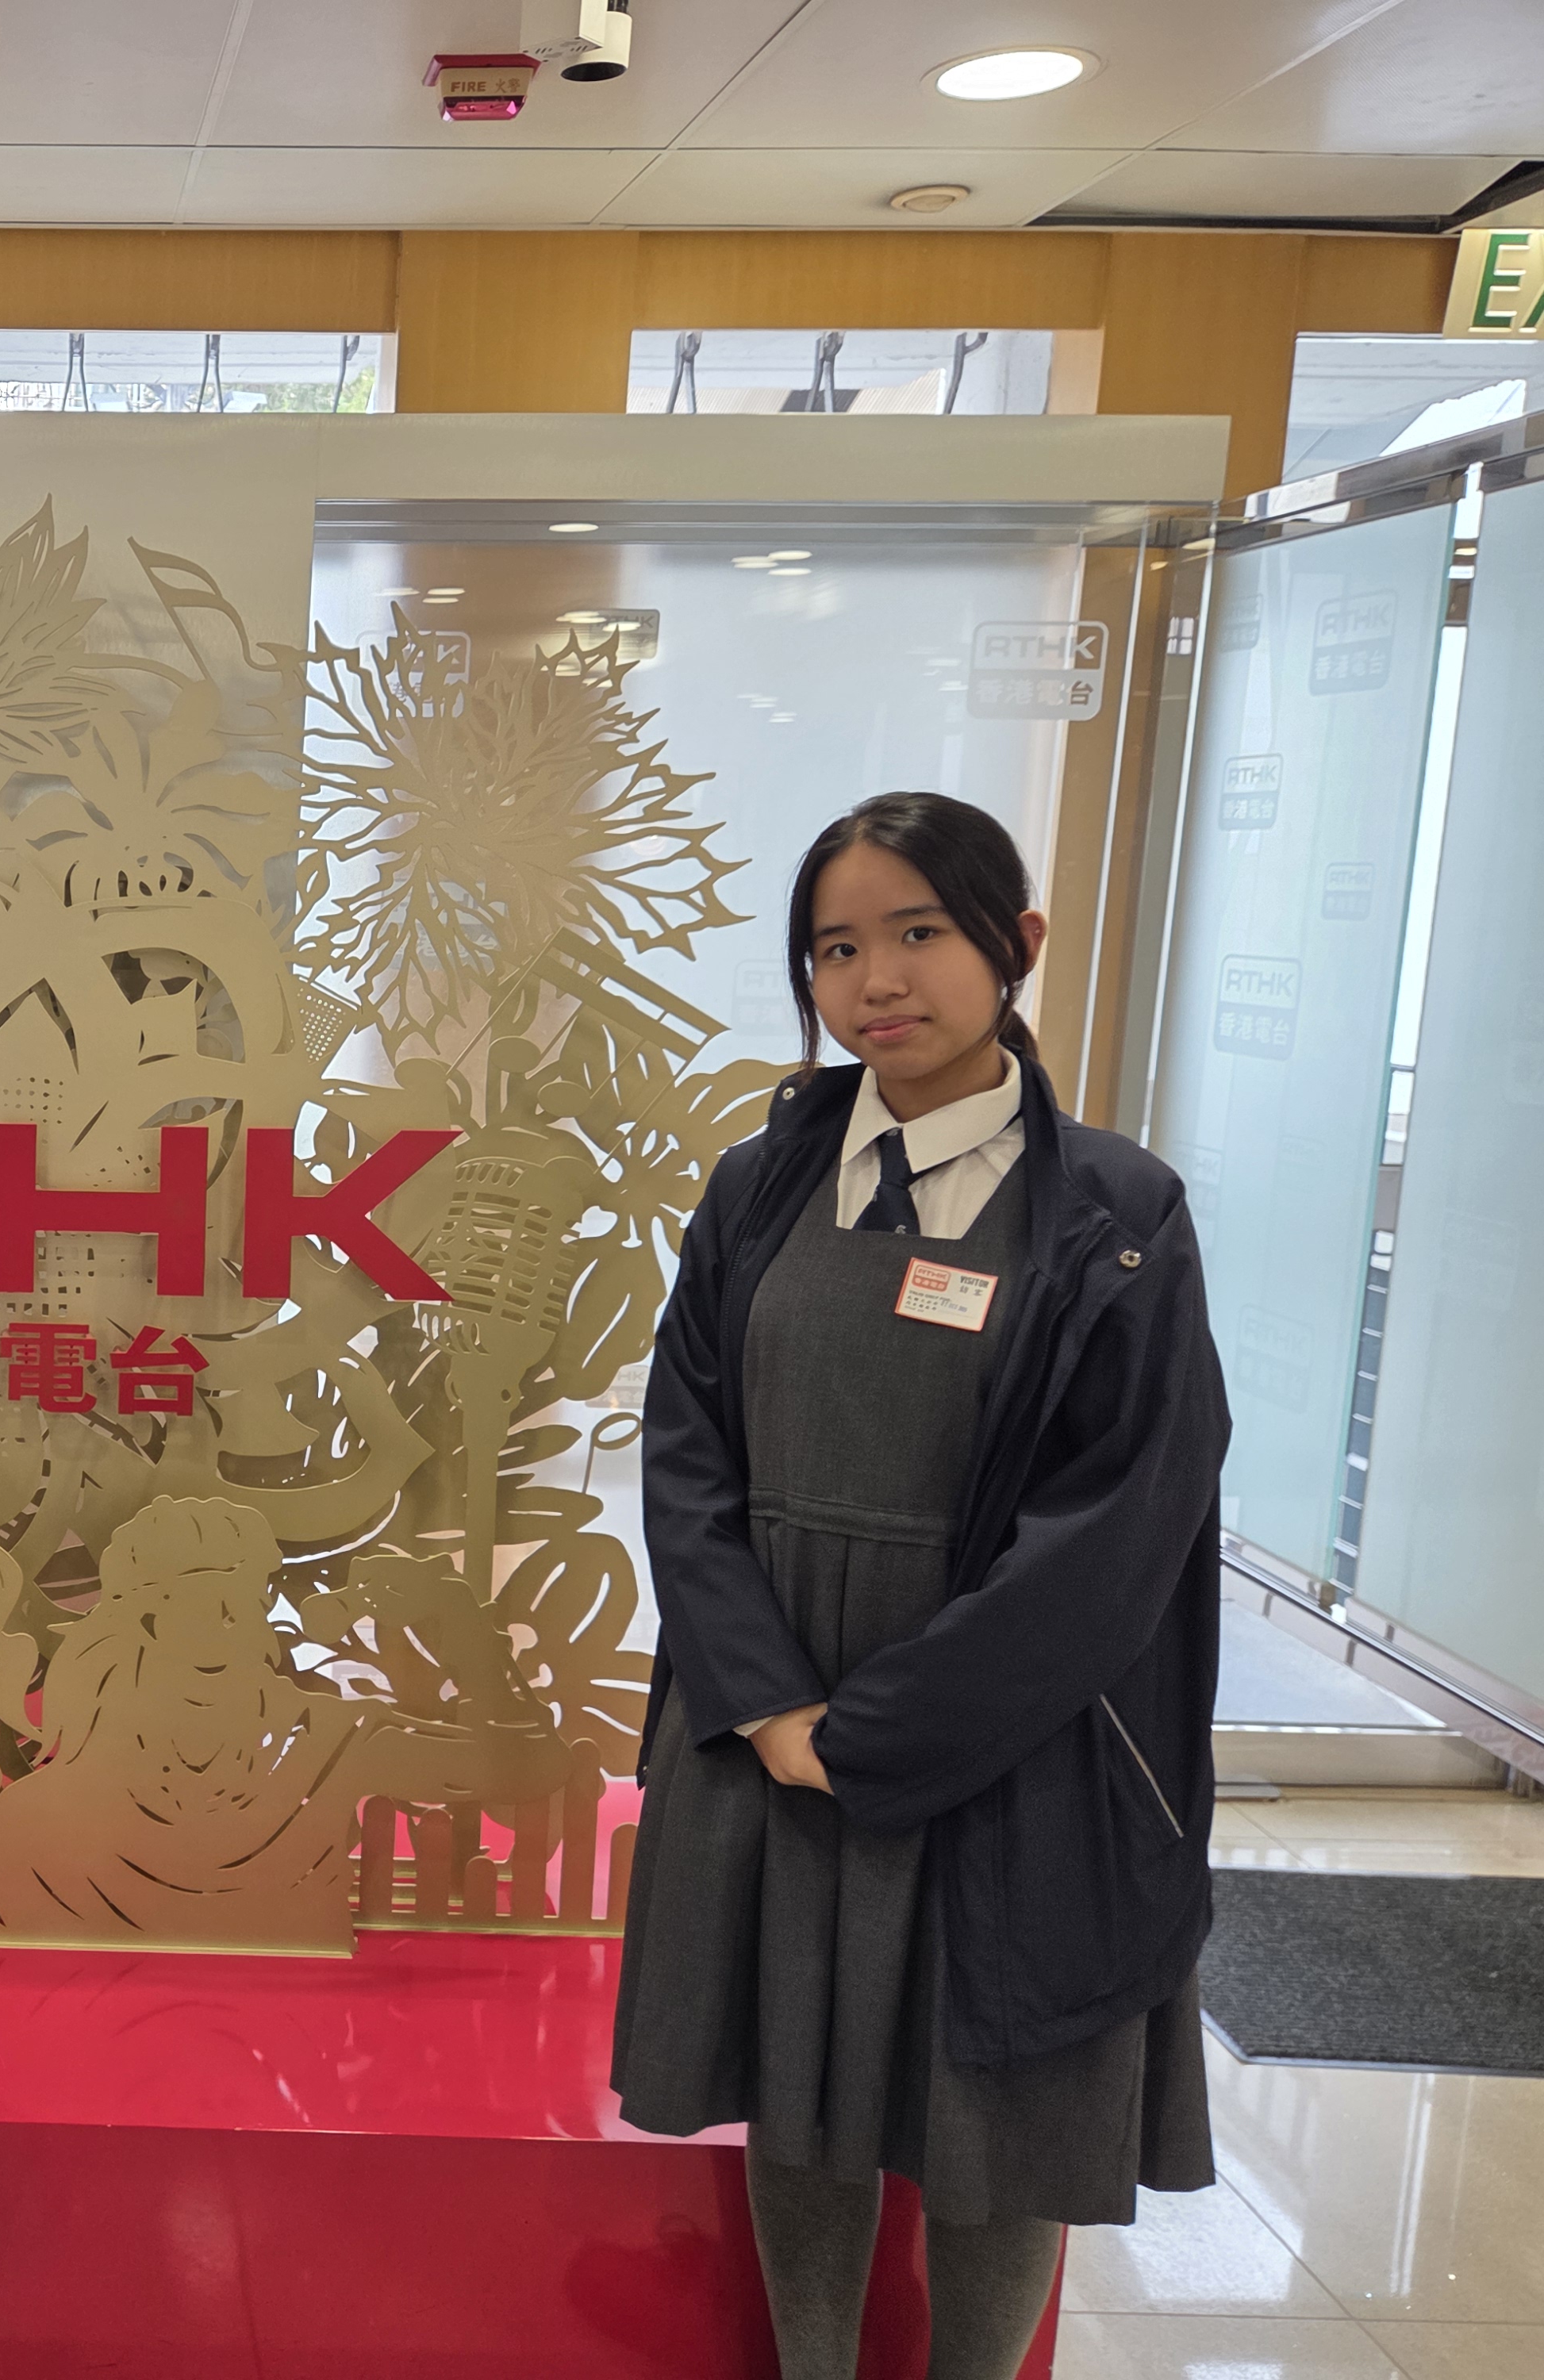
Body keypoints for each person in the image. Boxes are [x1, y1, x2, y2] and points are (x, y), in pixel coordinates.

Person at [609, 793, 1229, 2380]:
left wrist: (884, 1732)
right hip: (770, 1721)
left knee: (997, 2106)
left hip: (1006, 1728)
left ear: (1015, 944)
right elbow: (685, 1454)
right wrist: (768, 1707)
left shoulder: (1117, 1213)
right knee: (796, 2085)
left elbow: (1124, 1520)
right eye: (834, 948)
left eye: (918, 933)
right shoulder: (758, 1184)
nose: (874, 980)